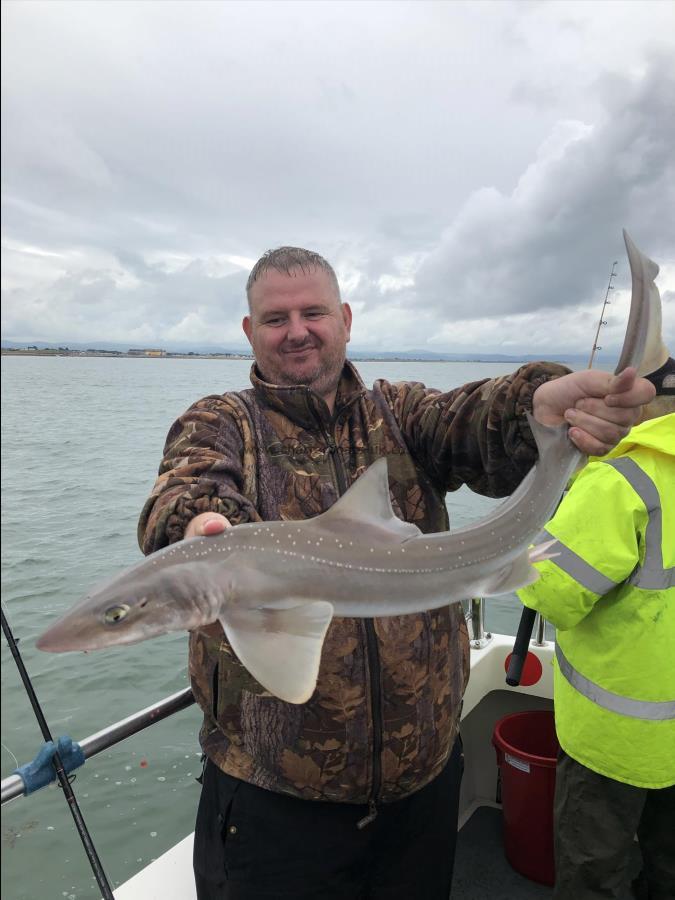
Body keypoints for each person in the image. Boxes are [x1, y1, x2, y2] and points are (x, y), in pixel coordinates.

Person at [137, 246, 654, 900]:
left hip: (423, 784)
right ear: (248, 331)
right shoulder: (220, 423)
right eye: (275, 318)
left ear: (345, 319)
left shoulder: (401, 414)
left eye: (313, 312)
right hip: (276, 793)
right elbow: (184, 491)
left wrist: (537, 404)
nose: (296, 329)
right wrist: (200, 531)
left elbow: (474, 421)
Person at [517, 357, 675, 900]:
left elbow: (550, 592)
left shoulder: (626, 476)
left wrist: (576, 493)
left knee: (594, 872)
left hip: (617, 742)